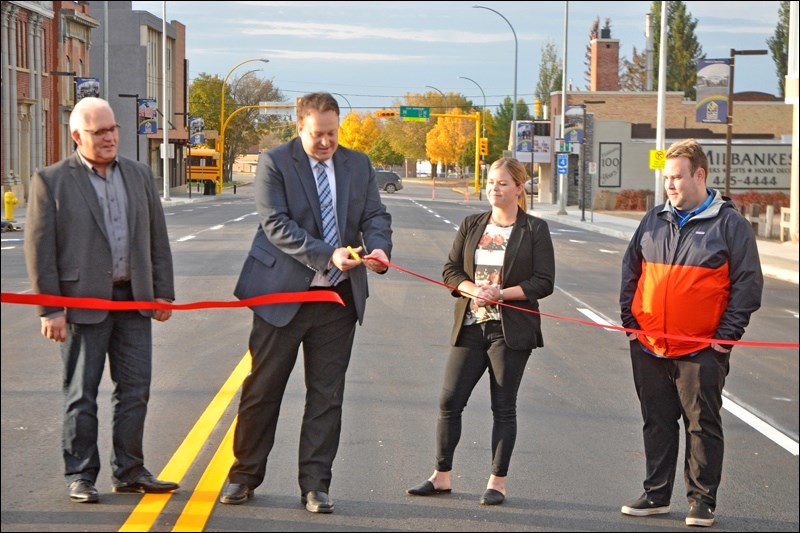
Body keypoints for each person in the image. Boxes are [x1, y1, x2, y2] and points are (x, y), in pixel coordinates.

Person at [220, 91, 393, 513]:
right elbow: (276, 224)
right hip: (283, 294)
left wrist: (381, 248)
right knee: (263, 390)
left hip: (337, 301)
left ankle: (315, 484)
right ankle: (244, 475)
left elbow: (374, 214)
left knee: (326, 395)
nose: (326, 143)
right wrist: (326, 254)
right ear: (300, 127)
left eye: (332, 134)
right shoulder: (276, 162)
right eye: (318, 134)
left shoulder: (358, 164)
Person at [24, 97, 179, 503]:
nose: (109, 138)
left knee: (135, 390)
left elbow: (156, 240)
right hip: (80, 305)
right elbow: (40, 250)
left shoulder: (140, 175)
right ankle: (81, 474)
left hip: (133, 301)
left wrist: (163, 292)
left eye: (113, 130)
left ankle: (129, 470)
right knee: (81, 393)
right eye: (99, 132)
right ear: (77, 136)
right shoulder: (51, 180)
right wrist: (50, 309)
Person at [619, 138, 763, 527]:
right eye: (666, 178)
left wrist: (725, 337)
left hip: (702, 349)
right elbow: (631, 271)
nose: (669, 185)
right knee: (657, 420)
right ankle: (656, 494)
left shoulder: (730, 225)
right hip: (649, 346)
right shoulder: (653, 219)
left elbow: (748, 285)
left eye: (676, 177)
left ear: (699, 175)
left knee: (701, 424)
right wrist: (630, 325)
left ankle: (701, 500)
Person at [407, 157, 555, 505]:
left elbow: (544, 282)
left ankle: (497, 482)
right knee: (449, 401)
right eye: (490, 182)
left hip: (510, 331)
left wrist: (501, 293)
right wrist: (475, 290)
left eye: (503, 183)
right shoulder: (472, 224)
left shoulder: (534, 230)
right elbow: (450, 270)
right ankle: (441, 476)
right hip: (471, 326)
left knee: (503, 406)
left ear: (519, 188)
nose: (494, 188)